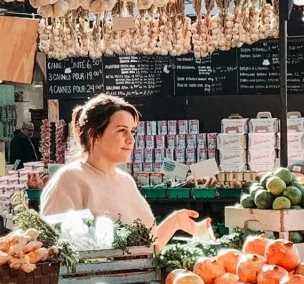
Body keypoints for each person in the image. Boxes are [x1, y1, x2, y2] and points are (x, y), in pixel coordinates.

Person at [41, 94, 198, 252]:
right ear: (94, 134)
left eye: (132, 131)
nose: (131, 139)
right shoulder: (69, 181)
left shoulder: (126, 182)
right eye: (122, 131)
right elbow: (54, 254)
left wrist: (175, 223)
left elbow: (148, 250)